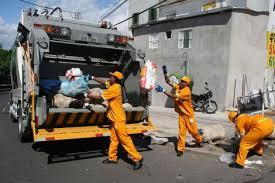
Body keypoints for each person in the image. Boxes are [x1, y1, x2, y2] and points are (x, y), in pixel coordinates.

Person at [90, 71, 143, 170]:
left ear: (115, 79)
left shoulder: (115, 88)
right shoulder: (113, 84)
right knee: (114, 139)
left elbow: (98, 97)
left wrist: (85, 94)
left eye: (111, 76)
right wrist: (92, 76)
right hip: (115, 119)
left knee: (124, 139)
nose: (109, 77)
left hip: (119, 119)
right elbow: (104, 81)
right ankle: (112, 158)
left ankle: (137, 158)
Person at [156, 68, 203, 157]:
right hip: (182, 115)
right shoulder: (178, 86)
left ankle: (200, 140)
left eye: (183, 81)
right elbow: (168, 82)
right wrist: (165, 73)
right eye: (181, 80)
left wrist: (163, 91)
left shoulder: (186, 91)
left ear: (186, 84)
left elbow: (174, 96)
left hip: (189, 116)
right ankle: (180, 149)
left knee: (193, 132)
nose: (181, 82)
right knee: (182, 132)